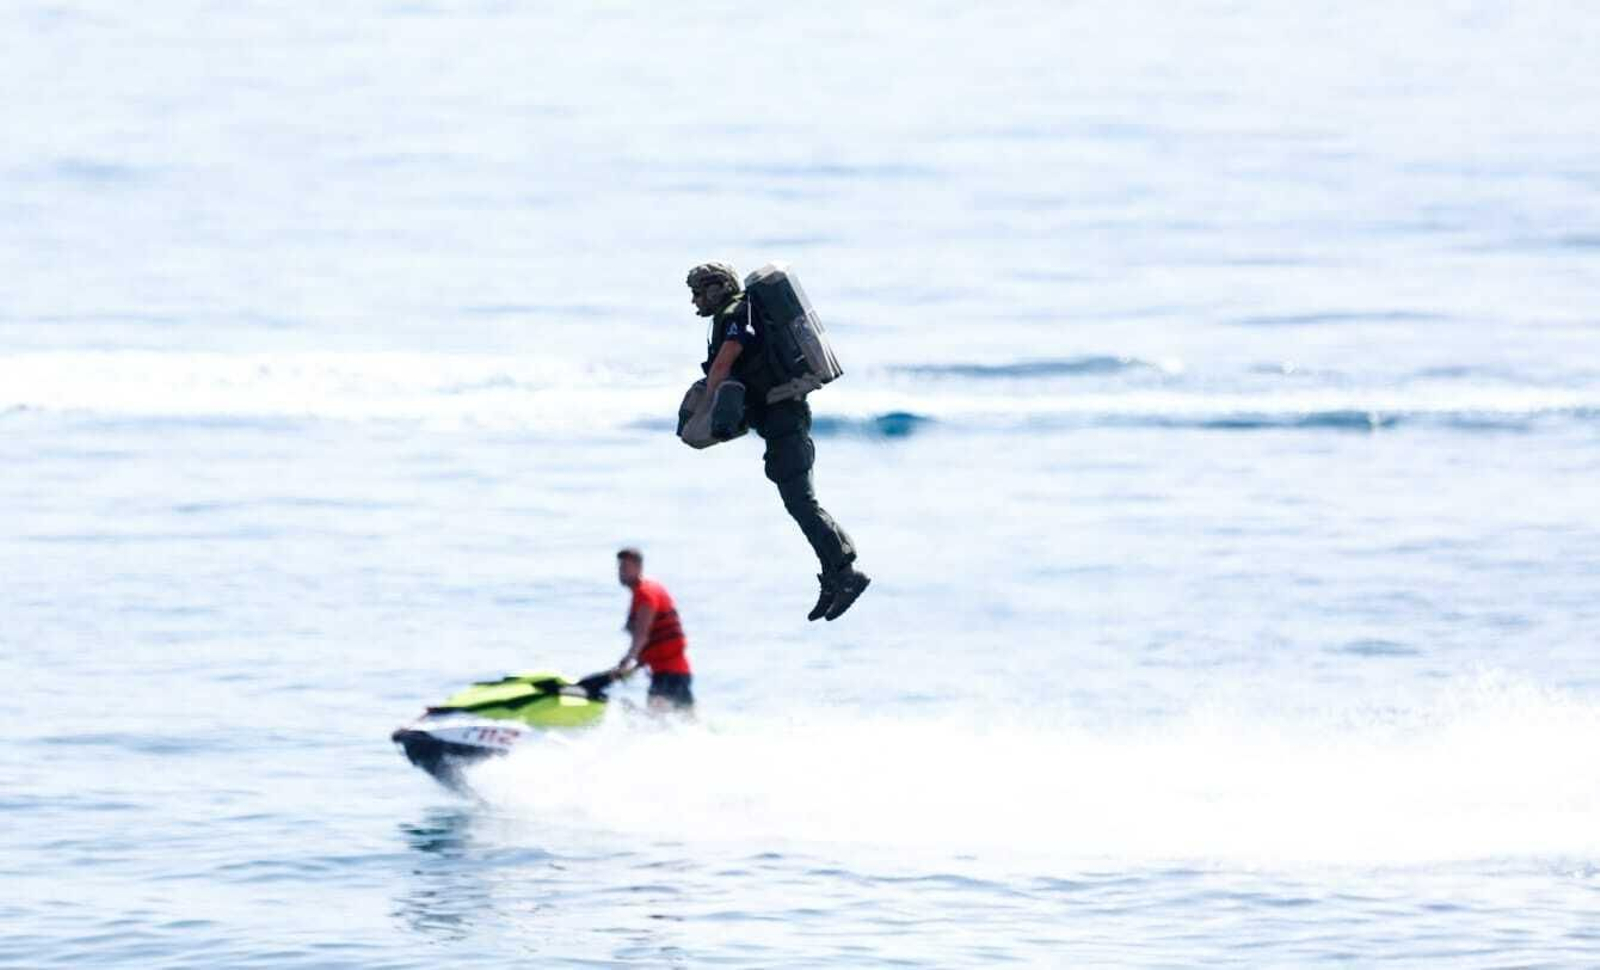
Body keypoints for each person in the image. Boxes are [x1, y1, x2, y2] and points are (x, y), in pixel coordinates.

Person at [687, 261, 871, 622]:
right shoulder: (735, 313)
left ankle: (846, 574)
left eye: (698, 291)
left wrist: (705, 408)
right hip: (776, 418)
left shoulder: (738, 314)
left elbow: (725, 364)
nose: (694, 301)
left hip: (785, 416)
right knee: (797, 501)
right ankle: (836, 575)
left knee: (801, 501)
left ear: (717, 287)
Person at [610, 547, 693, 713]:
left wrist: (625, 663)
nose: (621, 572)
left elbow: (642, 636)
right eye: (620, 567)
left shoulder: (646, 594)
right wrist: (633, 668)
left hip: (669, 676)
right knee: (683, 725)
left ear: (639, 568)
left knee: (655, 725)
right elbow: (651, 645)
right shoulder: (644, 593)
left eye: (625, 567)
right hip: (675, 674)